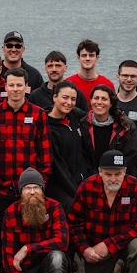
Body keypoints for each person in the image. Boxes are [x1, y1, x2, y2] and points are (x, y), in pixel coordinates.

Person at [0, 67, 51, 273]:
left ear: (26, 87)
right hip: (1, 185)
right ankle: (4, 272)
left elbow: (44, 153)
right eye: (11, 85)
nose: (15, 89)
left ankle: (30, 271)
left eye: (19, 85)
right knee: (0, 231)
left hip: (29, 189)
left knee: (31, 228)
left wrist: (40, 185)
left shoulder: (38, 114)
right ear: (5, 86)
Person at [0, 168, 70, 273]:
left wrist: (27, 248)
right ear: (20, 192)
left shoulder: (54, 207)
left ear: (42, 190)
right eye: (27, 188)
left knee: (57, 258)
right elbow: (7, 256)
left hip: (47, 265)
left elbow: (62, 241)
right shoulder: (11, 212)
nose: (32, 192)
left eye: (36, 187)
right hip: (24, 269)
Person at [46, 80, 94, 210]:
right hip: (62, 188)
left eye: (73, 99)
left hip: (83, 181)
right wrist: (75, 192)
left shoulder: (76, 116)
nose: (69, 102)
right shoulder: (47, 126)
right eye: (65, 97)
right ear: (55, 97)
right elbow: (58, 166)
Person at [85, 84, 137, 176]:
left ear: (111, 103)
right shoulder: (83, 124)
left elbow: (131, 156)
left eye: (104, 99)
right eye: (96, 98)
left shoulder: (126, 126)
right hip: (89, 177)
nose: (99, 102)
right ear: (90, 101)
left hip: (117, 177)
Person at [115, 60, 137, 126]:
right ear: (118, 77)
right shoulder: (109, 103)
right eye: (125, 76)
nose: (129, 79)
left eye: (133, 76)